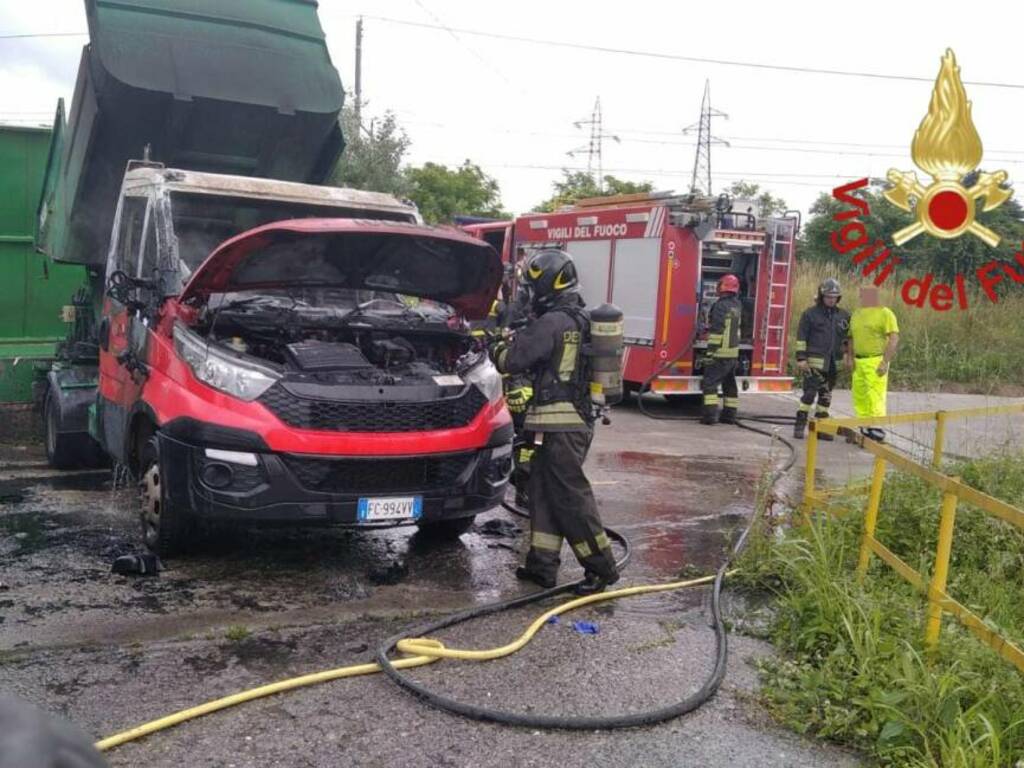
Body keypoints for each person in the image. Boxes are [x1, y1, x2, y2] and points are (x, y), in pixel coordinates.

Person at [490, 249, 619, 595]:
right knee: (542, 493)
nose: (528, 295)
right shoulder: (578, 318)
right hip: (562, 425)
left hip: (562, 426)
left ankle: (601, 568)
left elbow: (512, 361)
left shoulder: (552, 323)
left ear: (547, 284)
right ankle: (542, 567)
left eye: (531, 287)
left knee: (571, 498)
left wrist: (495, 341)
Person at [793, 278, 850, 440]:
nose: (831, 299)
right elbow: (801, 337)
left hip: (833, 363)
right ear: (821, 296)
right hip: (813, 363)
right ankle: (799, 425)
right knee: (809, 394)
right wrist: (801, 358)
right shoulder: (810, 314)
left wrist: (847, 355)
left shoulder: (844, 316)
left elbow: (847, 339)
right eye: (828, 296)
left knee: (826, 395)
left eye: (834, 297)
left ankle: (821, 428)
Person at [848, 286, 899, 442]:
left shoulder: (885, 313)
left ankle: (875, 427)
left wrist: (885, 361)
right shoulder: (856, 314)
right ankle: (863, 425)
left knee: (875, 394)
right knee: (860, 394)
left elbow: (894, 337)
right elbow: (850, 338)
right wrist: (850, 357)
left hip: (875, 359)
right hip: (859, 360)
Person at [700, 274, 742, 425]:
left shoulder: (720, 305)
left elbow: (717, 331)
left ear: (722, 287)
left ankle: (710, 417)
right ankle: (730, 416)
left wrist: (711, 352)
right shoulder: (737, 305)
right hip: (733, 352)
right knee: (730, 385)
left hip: (720, 353)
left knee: (710, 384)